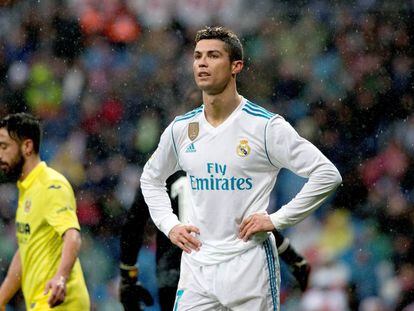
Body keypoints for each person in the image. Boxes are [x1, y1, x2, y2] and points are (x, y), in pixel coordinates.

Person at [140, 26, 342, 310]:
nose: (202, 63)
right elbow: (150, 179)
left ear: (236, 66)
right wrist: (170, 225)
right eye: (198, 56)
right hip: (197, 267)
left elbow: (327, 175)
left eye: (213, 56)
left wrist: (277, 219)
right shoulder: (182, 129)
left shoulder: (265, 127)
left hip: (249, 264)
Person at [119, 172, 311, 311]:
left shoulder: (160, 167)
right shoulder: (218, 169)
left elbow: (133, 224)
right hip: (221, 271)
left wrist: (128, 277)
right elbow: (251, 223)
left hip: (174, 277)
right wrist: (292, 258)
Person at [0, 113, 90, 310]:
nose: (0, 154)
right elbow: (25, 252)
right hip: (43, 303)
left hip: (62, 301)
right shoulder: (27, 189)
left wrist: (61, 278)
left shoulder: (51, 185)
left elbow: (72, 236)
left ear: (27, 147)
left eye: (4, 146)